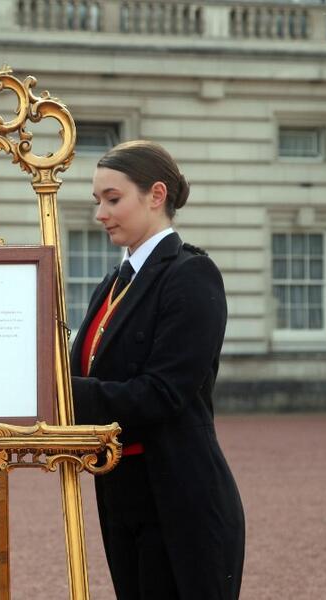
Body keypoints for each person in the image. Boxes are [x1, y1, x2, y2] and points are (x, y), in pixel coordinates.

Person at [70, 140, 245, 599]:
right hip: (120, 490)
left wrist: (58, 394)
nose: (101, 214)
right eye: (97, 202)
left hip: (180, 493)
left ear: (156, 195)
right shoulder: (112, 282)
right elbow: (81, 370)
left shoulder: (191, 274)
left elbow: (164, 392)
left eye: (113, 199)